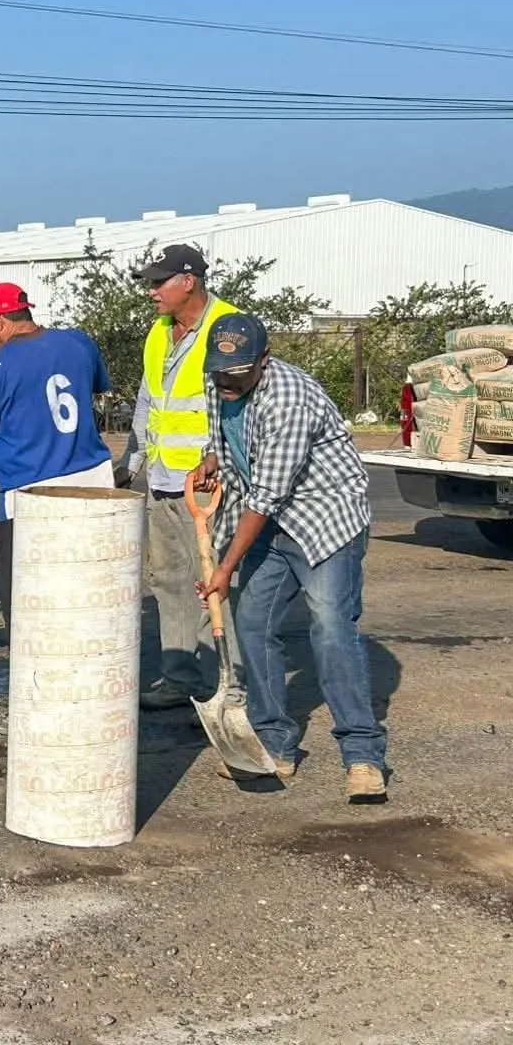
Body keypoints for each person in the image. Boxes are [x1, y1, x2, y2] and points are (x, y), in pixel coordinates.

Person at [194, 313, 387, 802]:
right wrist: (211, 459)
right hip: (269, 523)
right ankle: (274, 743)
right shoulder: (220, 378)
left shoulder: (289, 398)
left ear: (264, 360)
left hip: (324, 521)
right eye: (218, 371)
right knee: (254, 623)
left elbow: (266, 495)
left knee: (331, 628)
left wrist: (224, 567)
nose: (224, 381)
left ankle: (363, 755)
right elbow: (224, 438)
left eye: (236, 373)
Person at [0, 282, 116, 634]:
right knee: (87, 591)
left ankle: (39, 682)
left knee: (29, 606)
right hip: (96, 484)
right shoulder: (78, 342)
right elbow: (96, 387)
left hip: (31, 497)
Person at [119, 243, 240, 711]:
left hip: (209, 486)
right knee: (169, 580)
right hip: (163, 480)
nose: (151, 292)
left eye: (158, 282)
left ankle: (222, 685)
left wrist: (219, 460)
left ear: (187, 281)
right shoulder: (159, 333)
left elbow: (242, 405)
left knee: (214, 583)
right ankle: (179, 676)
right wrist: (132, 464)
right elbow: (148, 404)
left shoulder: (227, 328)